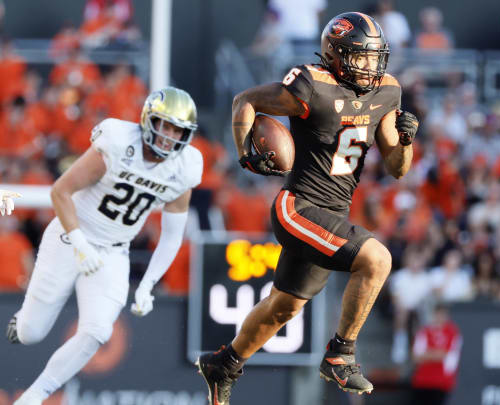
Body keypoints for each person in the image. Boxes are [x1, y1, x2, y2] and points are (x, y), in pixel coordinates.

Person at [195, 11, 419, 404]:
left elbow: (398, 169)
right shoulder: (313, 84)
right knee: (378, 260)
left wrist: (405, 141)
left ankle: (223, 363)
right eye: (361, 57)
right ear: (336, 54)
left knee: (284, 307)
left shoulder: (386, 91)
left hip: (333, 214)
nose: (371, 66)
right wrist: (244, 150)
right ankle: (341, 354)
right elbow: (245, 100)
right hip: (298, 206)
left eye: (374, 57)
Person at [7, 87, 203, 405]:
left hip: (113, 250)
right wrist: (81, 243)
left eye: (177, 129)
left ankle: (34, 396)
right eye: (164, 125)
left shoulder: (184, 168)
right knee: (31, 333)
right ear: (147, 120)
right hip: (70, 236)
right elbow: (60, 192)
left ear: (187, 134)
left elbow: (171, 236)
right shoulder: (118, 142)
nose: (168, 135)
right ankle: (23, 321)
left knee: (98, 331)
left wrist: (148, 284)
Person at [409, 303, 463, 405]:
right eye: (438, 314)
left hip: (442, 382)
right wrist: (436, 354)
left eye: (443, 315)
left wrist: (427, 354)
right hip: (422, 380)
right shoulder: (424, 331)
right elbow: (416, 357)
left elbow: (445, 355)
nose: (440, 317)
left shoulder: (452, 332)